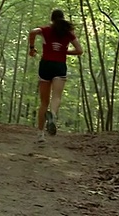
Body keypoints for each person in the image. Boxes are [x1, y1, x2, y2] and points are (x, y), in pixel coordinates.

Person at [28, 9, 83, 143]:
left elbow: (32, 32)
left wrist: (32, 47)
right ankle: (52, 114)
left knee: (43, 102)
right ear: (63, 18)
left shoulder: (45, 30)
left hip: (45, 65)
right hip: (59, 66)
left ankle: (41, 135)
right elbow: (80, 50)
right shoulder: (68, 33)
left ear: (52, 19)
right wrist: (65, 51)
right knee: (56, 96)